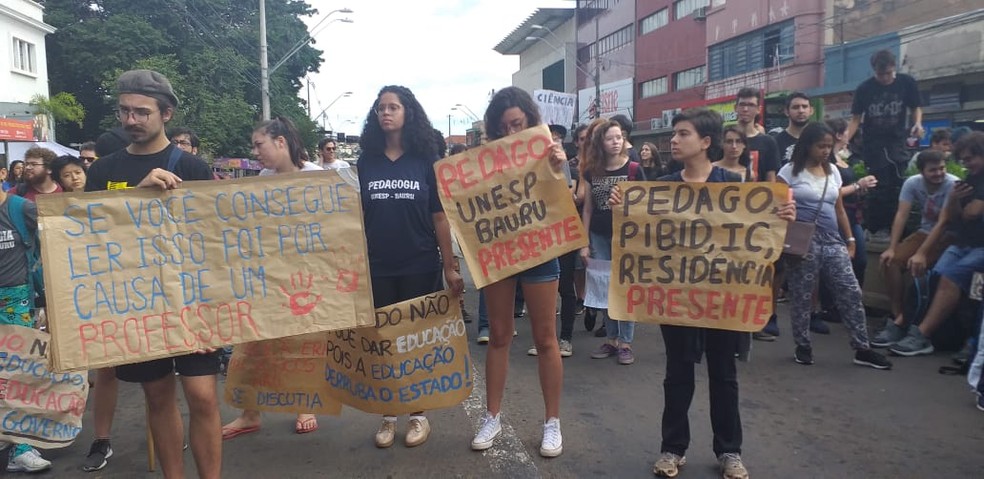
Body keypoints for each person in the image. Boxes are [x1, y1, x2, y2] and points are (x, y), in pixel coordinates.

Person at [608, 108, 795, 479]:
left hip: (723, 297)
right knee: (677, 371)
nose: (674, 140)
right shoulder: (662, 187)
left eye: (683, 134)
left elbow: (756, 234)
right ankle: (672, 448)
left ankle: (729, 450)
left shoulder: (734, 186)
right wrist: (622, 208)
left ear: (706, 142)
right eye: (674, 134)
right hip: (676, 296)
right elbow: (644, 237)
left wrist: (781, 213)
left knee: (723, 373)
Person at [84, 69, 221, 479]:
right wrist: (134, 198)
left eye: (141, 112)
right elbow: (87, 236)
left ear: (166, 113)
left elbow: (218, 240)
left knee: (203, 397)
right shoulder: (102, 171)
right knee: (157, 396)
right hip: (135, 302)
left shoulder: (195, 167)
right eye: (124, 111)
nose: (130, 120)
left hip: (193, 300)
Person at [358, 85, 463, 448]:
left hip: (420, 263)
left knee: (414, 343)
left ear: (408, 113)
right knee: (384, 344)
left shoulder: (424, 161)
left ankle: (417, 415)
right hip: (378, 267)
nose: (386, 113)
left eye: (393, 107)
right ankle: (389, 414)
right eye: (380, 108)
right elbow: (351, 218)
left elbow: (440, 216)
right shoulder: (365, 163)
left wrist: (449, 267)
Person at [470, 86, 566, 458]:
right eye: (503, 127)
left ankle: (552, 423)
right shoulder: (482, 160)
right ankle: (491, 416)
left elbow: (565, 200)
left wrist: (558, 167)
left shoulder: (550, 153)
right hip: (498, 251)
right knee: (498, 334)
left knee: (545, 339)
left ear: (530, 122)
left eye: (518, 124)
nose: (512, 133)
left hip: (540, 249)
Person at [220, 116, 325, 440]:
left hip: (304, 278)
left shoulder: (319, 177)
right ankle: (250, 413)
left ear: (281, 143)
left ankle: (304, 404)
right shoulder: (262, 178)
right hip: (266, 277)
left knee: (302, 343)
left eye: (259, 144)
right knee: (254, 344)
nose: (255, 152)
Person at [778, 122, 892, 371]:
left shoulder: (833, 172)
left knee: (850, 291)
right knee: (802, 294)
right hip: (802, 239)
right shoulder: (788, 172)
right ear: (807, 145)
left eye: (829, 146)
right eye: (821, 146)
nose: (826, 151)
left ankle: (862, 347)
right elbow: (776, 206)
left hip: (832, 239)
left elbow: (839, 207)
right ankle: (803, 344)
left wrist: (850, 239)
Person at [889, 132, 984, 357]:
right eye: (964, 160)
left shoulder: (961, 182)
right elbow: (957, 215)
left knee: (952, 276)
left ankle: (922, 334)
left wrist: (961, 204)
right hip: (963, 241)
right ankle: (906, 323)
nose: (967, 163)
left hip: (980, 246)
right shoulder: (970, 179)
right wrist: (954, 200)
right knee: (933, 275)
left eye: (971, 158)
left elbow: (972, 213)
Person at [873, 150, 957, 347]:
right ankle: (897, 317)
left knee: (918, 269)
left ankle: (913, 323)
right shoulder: (912, 183)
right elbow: (901, 215)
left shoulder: (952, 184)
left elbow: (944, 222)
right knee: (891, 262)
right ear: (921, 171)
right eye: (933, 170)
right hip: (925, 232)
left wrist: (921, 253)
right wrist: (892, 248)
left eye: (942, 168)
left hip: (948, 236)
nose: (939, 173)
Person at [580, 119, 645, 366]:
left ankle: (626, 343)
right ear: (601, 143)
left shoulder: (634, 169)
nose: (616, 142)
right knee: (605, 288)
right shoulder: (591, 170)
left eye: (619, 137)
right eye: (610, 138)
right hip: (598, 235)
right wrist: (584, 242)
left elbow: (645, 206)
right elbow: (587, 209)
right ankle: (611, 338)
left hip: (627, 238)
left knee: (626, 288)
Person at [845, 49, 924, 242]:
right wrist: (844, 139)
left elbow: (915, 107)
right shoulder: (865, 88)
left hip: (897, 142)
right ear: (874, 71)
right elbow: (856, 118)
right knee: (880, 184)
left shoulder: (906, 83)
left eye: (889, 73)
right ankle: (875, 228)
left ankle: (896, 228)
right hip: (874, 144)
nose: (885, 78)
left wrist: (917, 123)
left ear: (894, 68)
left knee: (898, 183)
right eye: (881, 74)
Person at [0, 188, 51, 472]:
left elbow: (57, 237)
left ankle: (20, 447)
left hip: (16, 302)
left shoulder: (21, 209)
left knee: (17, 374)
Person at [817, 119, 878, 326]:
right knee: (833, 261)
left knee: (859, 260)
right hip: (836, 215)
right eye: (846, 132)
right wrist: (858, 186)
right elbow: (830, 192)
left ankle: (853, 301)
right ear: (839, 134)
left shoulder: (844, 159)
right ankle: (831, 305)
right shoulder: (828, 163)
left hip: (852, 215)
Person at [734, 87, 779, 182]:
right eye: (742, 104)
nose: (745, 109)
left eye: (751, 105)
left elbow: (771, 177)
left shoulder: (768, 142)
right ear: (735, 108)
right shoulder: (725, 138)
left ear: (759, 109)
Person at [772, 92, 814, 166]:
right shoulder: (775, 142)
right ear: (787, 111)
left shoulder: (818, 139)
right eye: (795, 107)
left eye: (804, 106)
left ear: (811, 110)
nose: (801, 111)